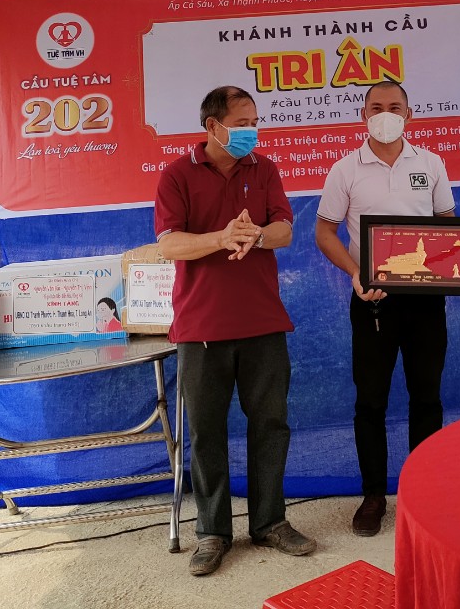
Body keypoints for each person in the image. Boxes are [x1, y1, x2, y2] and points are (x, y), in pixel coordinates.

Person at [155, 86, 315, 577]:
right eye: (242, 123)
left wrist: (256, 235)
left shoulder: (264, 169)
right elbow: (169, 245)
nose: (251, 131)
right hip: (201, 326)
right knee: (206, 432)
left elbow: (285, 230)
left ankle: (270, 522)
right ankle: (212, 532)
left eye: (254, 122)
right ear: (213, 126)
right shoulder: (177, 174)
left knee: (271, 424)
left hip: (263, 322)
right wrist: (221, 238)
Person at [315, 80, 460, 537]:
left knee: (426, 397)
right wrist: (356, 273)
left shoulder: (430, 163)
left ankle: (423, 492)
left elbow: (448, 227)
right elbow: (325, 232)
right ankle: (373, 496)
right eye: (376, 107)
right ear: (363, 115)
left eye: (394, 107)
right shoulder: (345, 169)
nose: (385, 115)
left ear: (410, 115)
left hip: (426, 301)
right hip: (372, 300)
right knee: (370, 400)